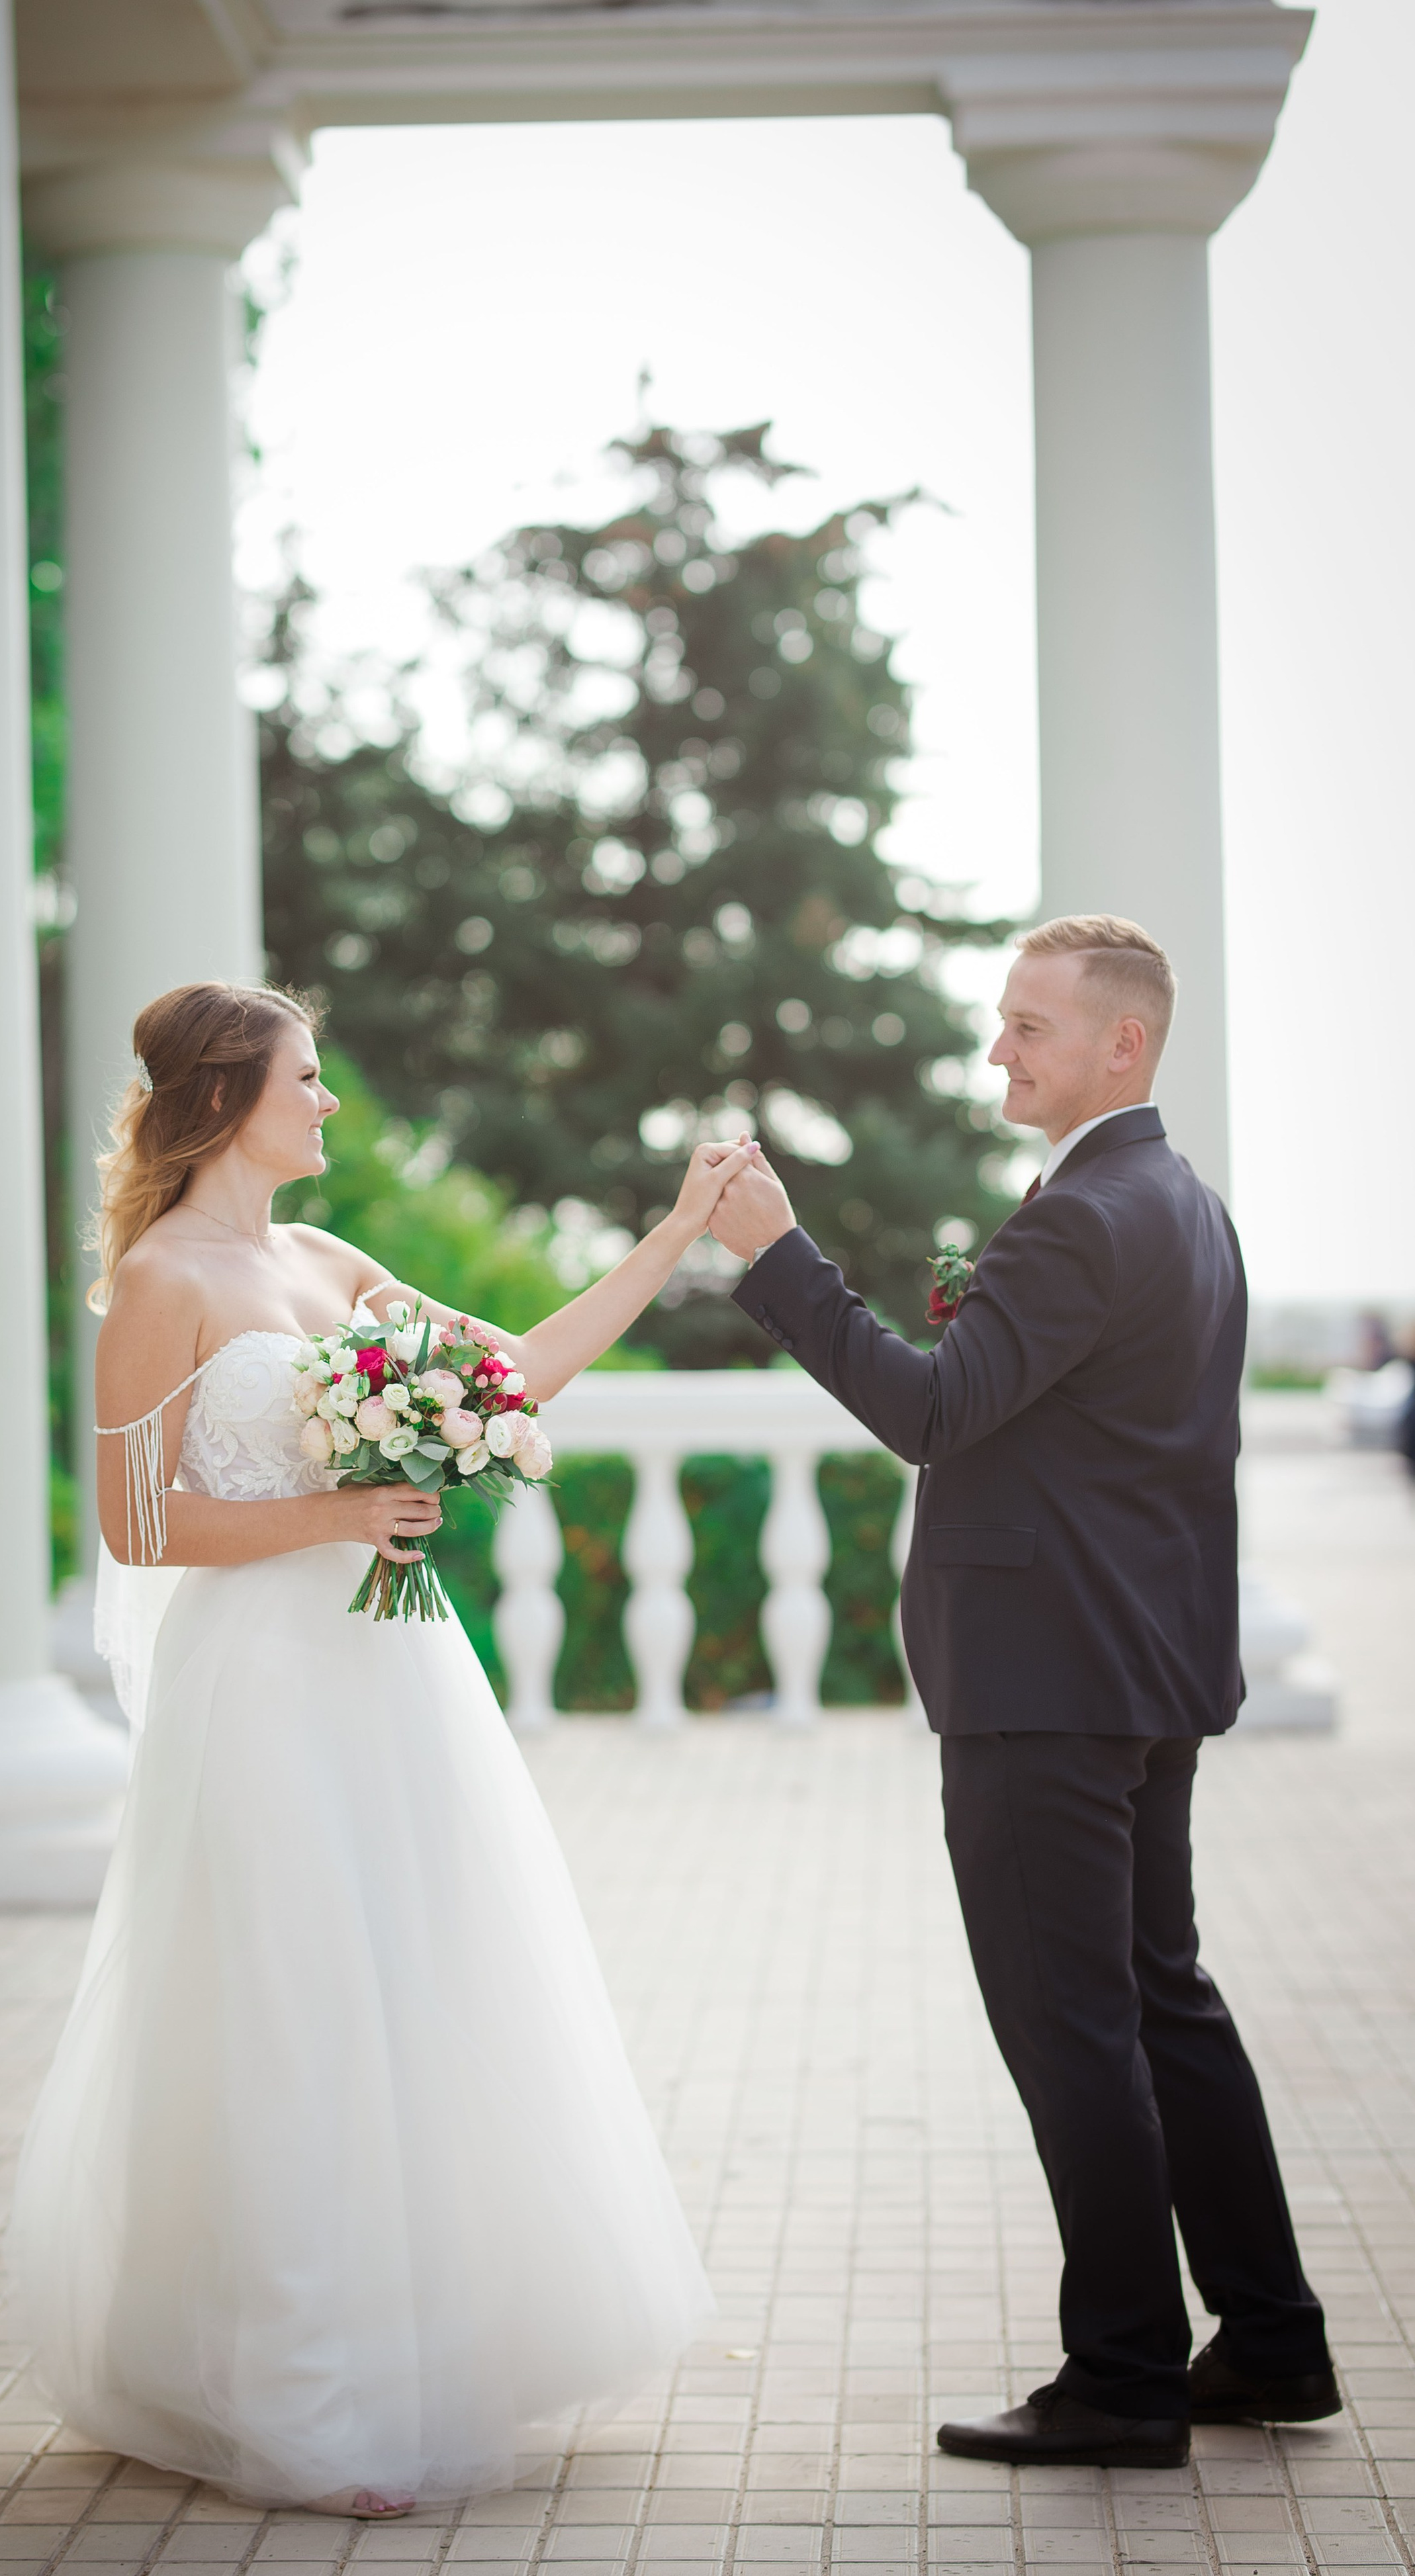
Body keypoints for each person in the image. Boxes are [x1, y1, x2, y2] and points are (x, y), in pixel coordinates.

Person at [7, 980, 744, 2517]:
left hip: (392, 1679)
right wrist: (339, 1511)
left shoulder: (319, 1259)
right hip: (260, 1692)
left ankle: (409, 2351)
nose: (329, 1102)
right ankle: (303, 2411)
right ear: (226, 1099)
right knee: (296, 2014)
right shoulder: (162, 1281)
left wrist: (677, 1237)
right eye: (309, 1078)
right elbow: (138, 1524)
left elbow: (516, 1375)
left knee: (416, 1984)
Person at [709, 914, 1337, 2472]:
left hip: (1048, 1683)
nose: (999, 1049)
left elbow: (928, 1411)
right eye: (1001, 1023)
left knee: (1076, 2030)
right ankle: (1268, 2340)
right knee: (1159, 2005)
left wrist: (776, 1257)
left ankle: (1122, 2375)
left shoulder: (1080, 1216)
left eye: (1027, 1028)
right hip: (1139, 1669)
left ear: (1120, 1043)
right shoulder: (1182, 1206)